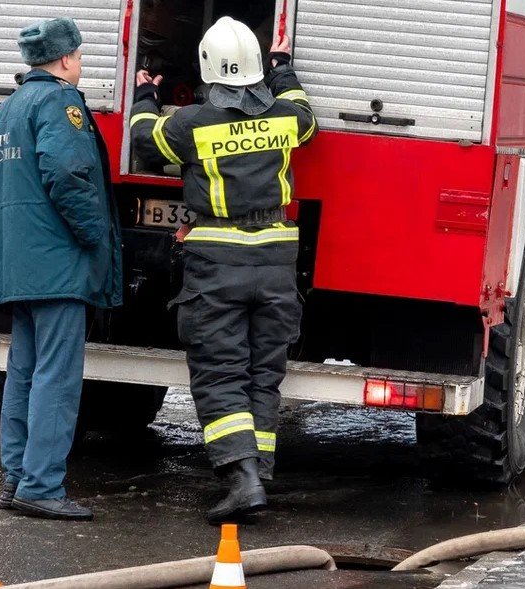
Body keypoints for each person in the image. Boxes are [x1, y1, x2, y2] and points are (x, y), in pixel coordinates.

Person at [130, 17, 318, 524]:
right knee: (262, 374)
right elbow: (305, 114)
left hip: (218, 265)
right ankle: (258, 472)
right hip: (277, 262)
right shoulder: (285, 118)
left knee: (219, 376)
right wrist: (283, 69)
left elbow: (145, 140)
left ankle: (241, 480)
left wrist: (147, 93)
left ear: (209, 69)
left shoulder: (191, 123)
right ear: (256, 67)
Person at [0, 17, 122, 521]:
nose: (79, 64)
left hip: (18, 266)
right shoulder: (60, 103)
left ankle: (17, 476)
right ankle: (41, 484)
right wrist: (96, 237)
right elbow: (68, 174)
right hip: (56, 266)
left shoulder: (4, 112)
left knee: (24, 372)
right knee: (57, 375)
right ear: (66, 59)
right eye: (78, 56)